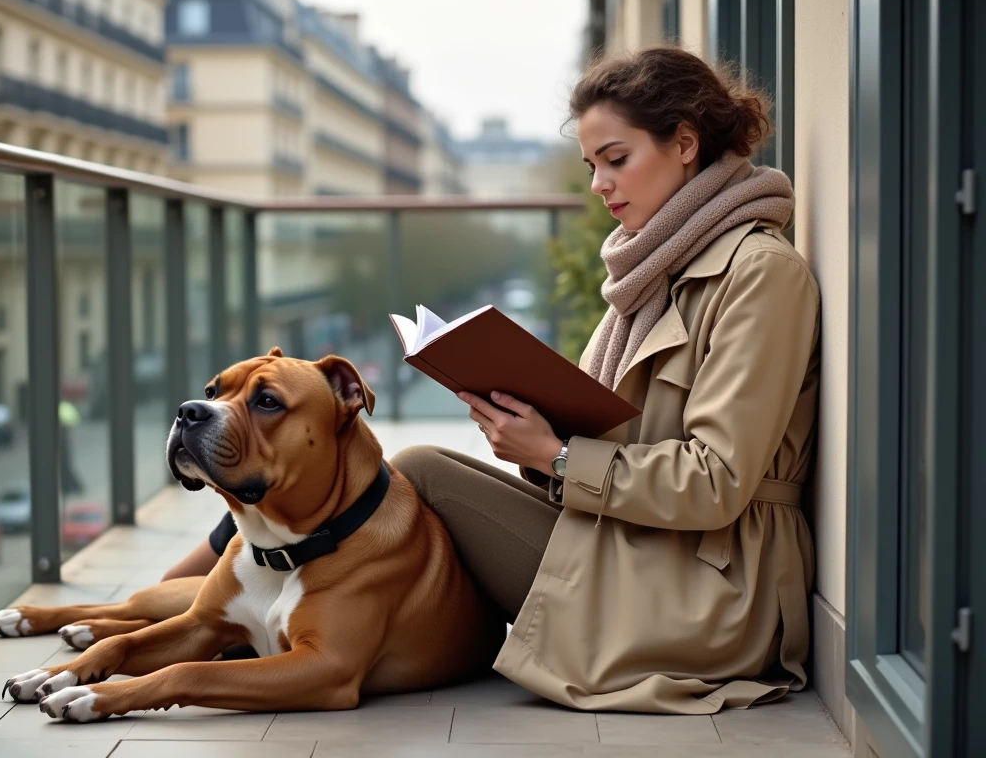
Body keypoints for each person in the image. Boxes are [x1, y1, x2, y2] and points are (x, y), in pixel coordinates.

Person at [165, 46, 819, 715]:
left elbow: (715, 484)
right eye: (592, 165)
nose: (599, 184)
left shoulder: (758, 275)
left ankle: (276, 635)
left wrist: (555, 455)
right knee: (413, 467)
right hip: (636, 538)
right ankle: (228, 610)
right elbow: (625, 432)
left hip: (709, 583)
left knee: (417, 472)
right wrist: (531, 422)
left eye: (617, 160)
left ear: (685, 143)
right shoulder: (657, 269)